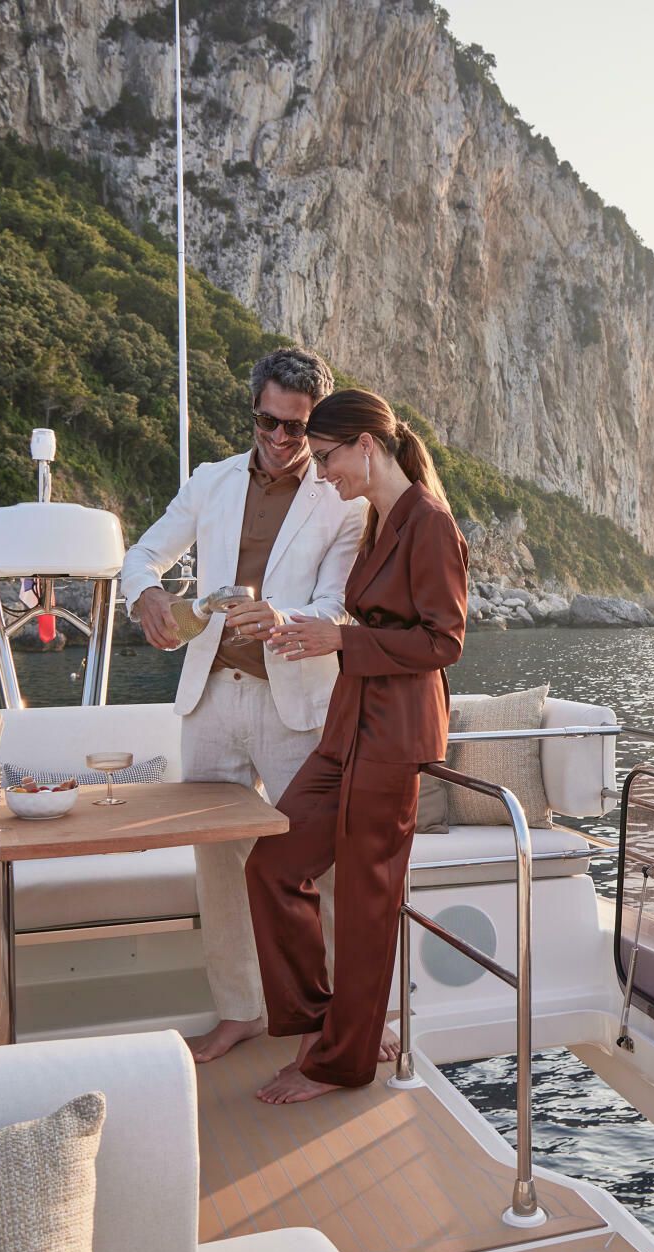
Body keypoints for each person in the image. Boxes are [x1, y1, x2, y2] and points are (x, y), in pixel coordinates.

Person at [120, 347, 372, 1065]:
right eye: (270, 422)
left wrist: (278, 618)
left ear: (314, 422)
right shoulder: (211, 480)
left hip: (293, 701)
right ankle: (241, 1012)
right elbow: (145, 554)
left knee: (314, 866)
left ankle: (334, 1016)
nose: (283, 440)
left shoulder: (343, 503)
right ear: (253, 411)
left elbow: (333, 608)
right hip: (209, 700)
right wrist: (146, 596)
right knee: (219, 869)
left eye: (298, 428)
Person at [246, 388, 470, 1104]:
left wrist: (340, 638)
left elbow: (445, 640)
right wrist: (316, 632)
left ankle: (341, 1064)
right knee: (273, 864)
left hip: (394, 731)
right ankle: (323, 1025)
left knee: (370, 902)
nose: (322, 475)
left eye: (329, 458)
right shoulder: (380, 518)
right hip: (350, 723)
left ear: (365, 447)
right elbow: (372, 624)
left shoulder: (429, 524)